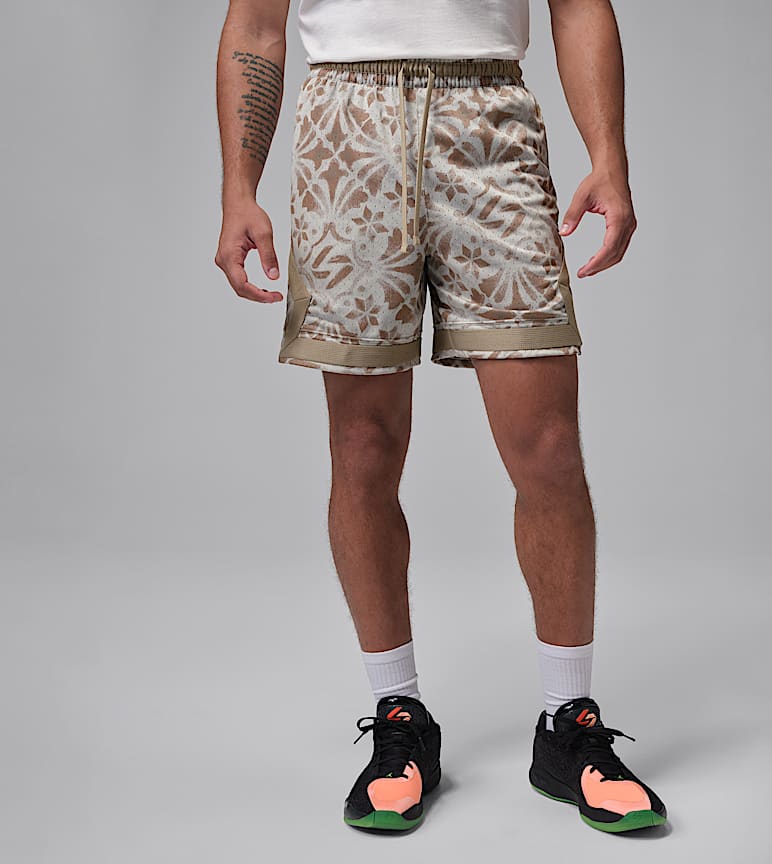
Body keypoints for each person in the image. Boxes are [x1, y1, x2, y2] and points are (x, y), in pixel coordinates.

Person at [215, 0, 666, 834]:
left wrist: (609, 155)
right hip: (347, 125)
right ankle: (400, 718)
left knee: (549, 448)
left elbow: (577, 7)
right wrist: (238, 187)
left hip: (489, 117)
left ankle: (568, 724)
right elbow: (255, 25)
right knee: (363, 446)